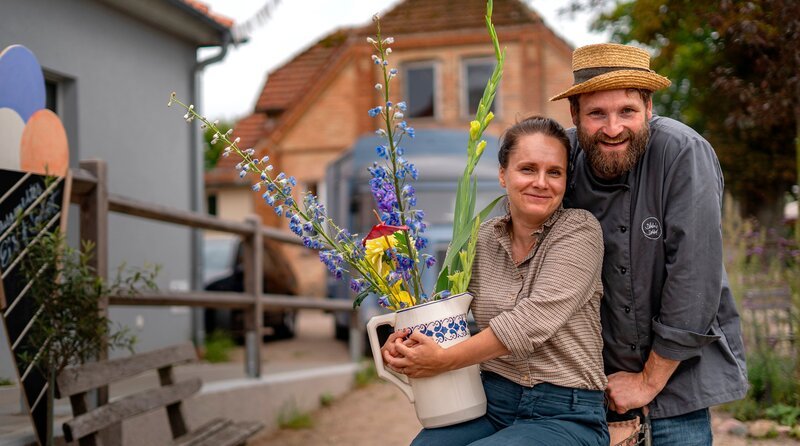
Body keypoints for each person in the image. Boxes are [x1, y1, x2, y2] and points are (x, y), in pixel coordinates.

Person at [550, 43, 749, 445]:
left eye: (626, 111)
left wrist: (647, 380)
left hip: (677, 388)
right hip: (589, 392)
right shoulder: (559, 157)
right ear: (574, 114)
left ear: (649, 108)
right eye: (596, 114)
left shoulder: (682, 153)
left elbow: (695, 282)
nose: (612, 128)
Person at [383, 116, 609, 446]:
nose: (541, 182)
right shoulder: (481, 239)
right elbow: (443, 311)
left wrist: (443, 360)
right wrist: (403, 342)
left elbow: (531, 322)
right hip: (492, 403)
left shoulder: (580, 231)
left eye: (554, 172)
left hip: (567, 412)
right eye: (528, 169)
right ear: (503, 175)